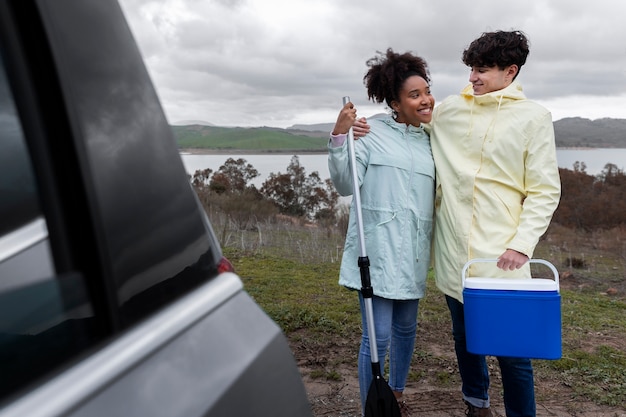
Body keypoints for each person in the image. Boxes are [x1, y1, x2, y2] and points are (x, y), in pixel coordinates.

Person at [353, 31, 561, 417]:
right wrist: (368, 126)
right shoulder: (449, 109)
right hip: (454, 256)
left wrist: (522, 244)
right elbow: (409, 123)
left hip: (503, 257)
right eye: (471, 69)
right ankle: (476, 405)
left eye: (482, 70)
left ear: (510, 71)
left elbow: (545, 190)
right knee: (465, 340)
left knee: (513, 354)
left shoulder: (534, 118)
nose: (472, 78)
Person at [328, 48, 436, 417]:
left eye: (427, 91)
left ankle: (398, 394)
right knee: (378, 338)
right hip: (377, 251)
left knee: (407, 330)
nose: (425, 100)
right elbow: (345, 185)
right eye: (415, 95)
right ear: (395, 102)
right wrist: (341, 135)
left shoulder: (432, 140)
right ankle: (371, 408)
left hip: (415, 251)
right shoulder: (370, 133)